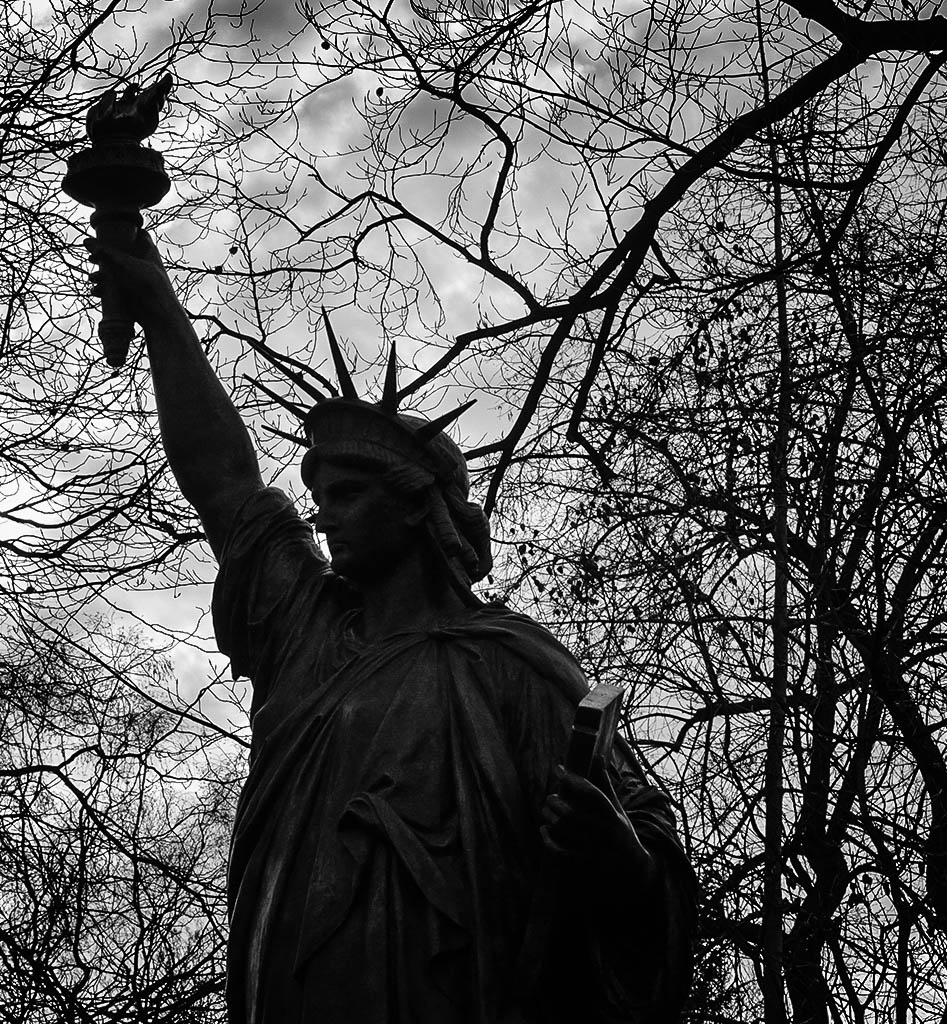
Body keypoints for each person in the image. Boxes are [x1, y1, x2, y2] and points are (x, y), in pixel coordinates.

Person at [87, 233, 695, 1024]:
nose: (320, 514)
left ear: (412, 507)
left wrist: (622, 861)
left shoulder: (514, 665)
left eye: (343, 495)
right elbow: (227, 485)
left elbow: (640, 835)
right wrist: (161, 308)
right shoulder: (310, 633)